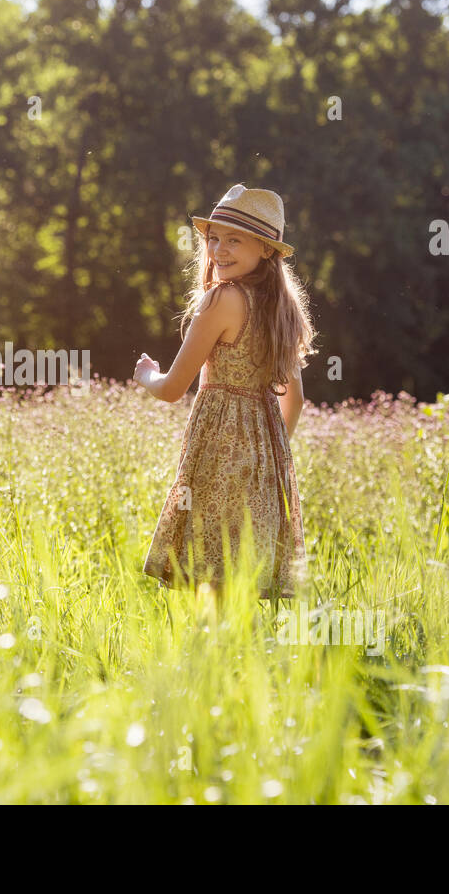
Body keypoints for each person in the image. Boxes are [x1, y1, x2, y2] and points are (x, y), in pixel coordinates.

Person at [133, 185, 317, 605]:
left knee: (212, 578)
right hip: (265, 460)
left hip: (217, 455)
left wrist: (146, 375)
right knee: (242, 578)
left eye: (234, 239)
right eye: (214, 238)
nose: (219, 250)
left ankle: (214, 666)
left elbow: (173, 387)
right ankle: (247, 666)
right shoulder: (280, 309)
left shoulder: (222, 299)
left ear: (267, 249)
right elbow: (296, 400)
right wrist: (269, 454)